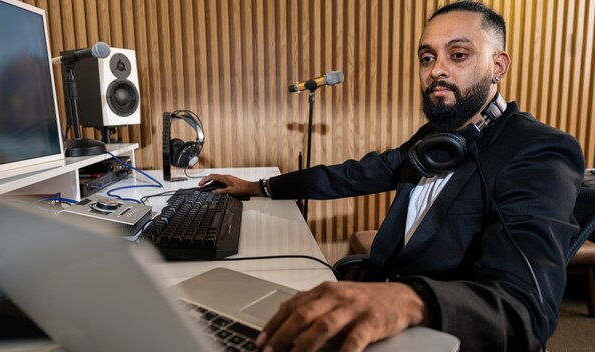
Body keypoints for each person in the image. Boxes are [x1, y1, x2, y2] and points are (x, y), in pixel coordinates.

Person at [199, 2, 585, 351]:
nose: (437, 70)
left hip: (442, 335)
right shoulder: (435, 140)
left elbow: (527, 308)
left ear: (498, 66)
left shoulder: (540, 151)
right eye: (427, 57)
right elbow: (355, 174)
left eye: (459, 54)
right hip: (378, 318)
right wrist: (260, 186)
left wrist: (410, 299)